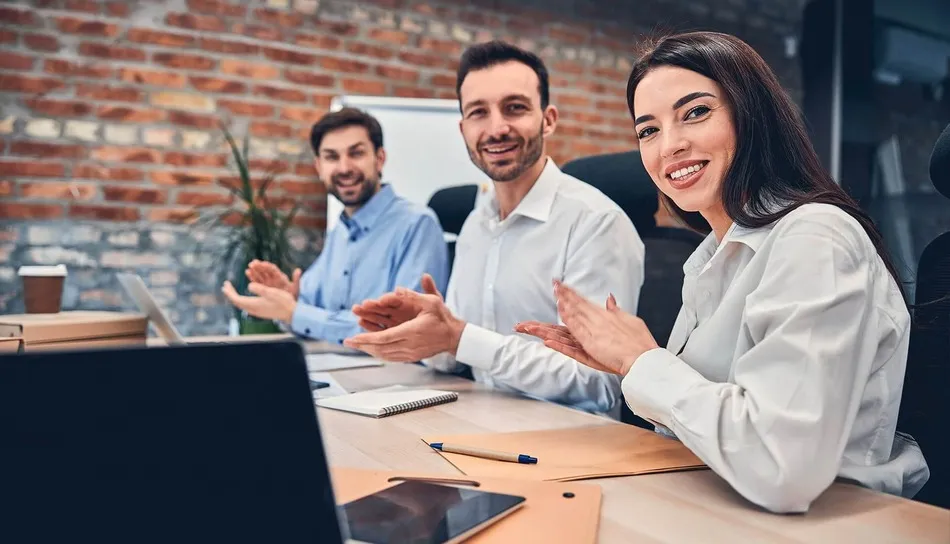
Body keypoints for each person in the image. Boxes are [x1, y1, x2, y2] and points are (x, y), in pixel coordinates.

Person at [515, 31, 930, 513]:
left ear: (752, 116)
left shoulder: (816, 237)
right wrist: (632, 365)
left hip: (827, 521)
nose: (670, 145)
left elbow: (780, 466)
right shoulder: (713, 255)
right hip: (717, 501)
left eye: (695, 112)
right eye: (648, 131)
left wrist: (642, 362)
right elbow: (697, 430)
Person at [344, 41, 645, 417]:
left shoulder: (596, 223)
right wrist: (431, 335)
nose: (496, 128)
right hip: (477, 417)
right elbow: (460, 355)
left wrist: (460, 337)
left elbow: (599, 381)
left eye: (515, 108)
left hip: (567, 435)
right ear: (463, 129)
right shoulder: (476, 225)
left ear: (548, 119)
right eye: (478, 113)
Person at [221, 108, 450, 345]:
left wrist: (294, 312)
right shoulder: (339, 232)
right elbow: (307, 310)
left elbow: (404, 329)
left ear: (380, 159)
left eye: (356, 153)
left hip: (393, 367)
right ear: (319, 167)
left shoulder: (417, 225)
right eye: (332, 157)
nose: (344, 168)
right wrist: (289, 298)